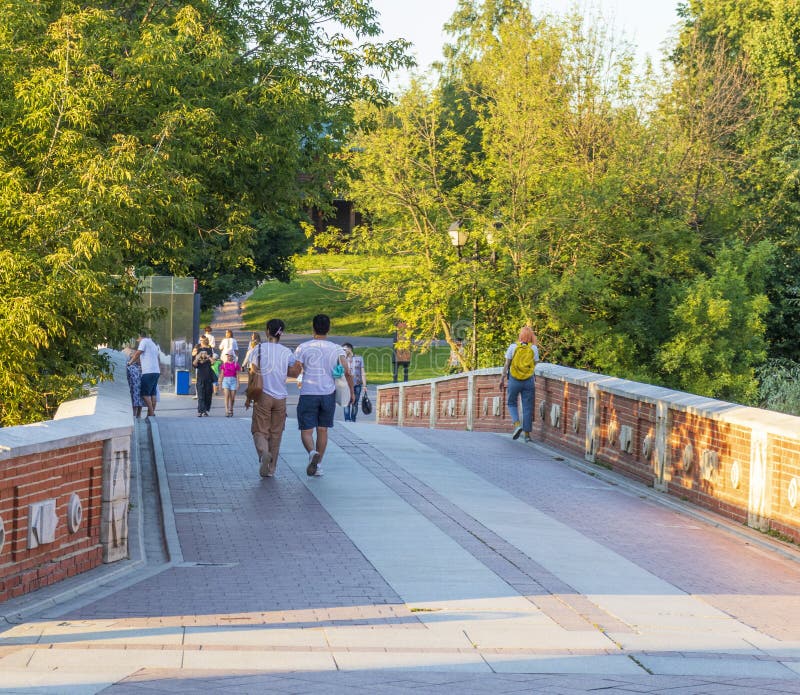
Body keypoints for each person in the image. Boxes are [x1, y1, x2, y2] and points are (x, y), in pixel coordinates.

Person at [294, 314, 354, 477]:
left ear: (313, 328)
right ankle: (318, 465)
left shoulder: (303, 347)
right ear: (329, 329)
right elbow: (347, 371)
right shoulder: (336, 348)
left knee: (306, 431)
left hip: (308, 393)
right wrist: (352, 392)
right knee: (323, 430)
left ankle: (312, 453)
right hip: (328, 394)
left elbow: (295, 370)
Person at [245, 318, 299, 477]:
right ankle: (271, 469)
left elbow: (252, 373)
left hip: (263, 396)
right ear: (281, 333)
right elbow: (293, 372)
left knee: (259, 431)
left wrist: (249, 397)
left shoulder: (258, 349)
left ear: (267, 331)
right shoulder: (286, 352)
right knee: (276, 434)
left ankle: (263, 453)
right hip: (280, 398)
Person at [499, 326, 539, 442]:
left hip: (514, 380)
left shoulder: (513, 347)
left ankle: (517, 425)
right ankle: (527, 435)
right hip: (528, 381)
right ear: (531, 336)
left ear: (520, 335)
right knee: (527, 407)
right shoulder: (534, 349)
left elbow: (507, 364)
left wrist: (502, 378)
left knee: (511, 403)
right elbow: (535, 364)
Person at [127, 330, 161, 418]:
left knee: (145, 394)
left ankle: (152, 413)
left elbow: (138, 353)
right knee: (153, 394)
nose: (137, 341)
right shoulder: (152, 343)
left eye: (137, 339)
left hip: (148, 372)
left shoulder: (144, 342)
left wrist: (130, 362)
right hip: (156, 371)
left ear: (139, 336)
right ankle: (150, 415)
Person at [342, 342, 366, 422]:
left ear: (350, 349)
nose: (343, 351)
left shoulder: (359, 358)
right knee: (347, 402)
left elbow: (362, 372)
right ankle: (347, 420)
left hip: (357, 385)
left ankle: (353, 419)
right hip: (346, 384)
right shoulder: (342, 360)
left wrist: (365, 385)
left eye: (344, 349)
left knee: (355, 403)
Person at [192, 337, 216, 416]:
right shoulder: (197, 350)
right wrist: (198, 356)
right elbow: (194, 364)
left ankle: (205, 410)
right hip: (200, 375)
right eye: (200, 340)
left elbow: (213, 362)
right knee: (200, 394)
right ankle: (200, 411)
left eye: (202, 340)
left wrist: (208, 356)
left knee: (208, 394)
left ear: (205, 341)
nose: (200, 342)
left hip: (208, 375)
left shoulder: (210, 350)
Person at [123, 346, 144, 418]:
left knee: (135, 400)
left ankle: (135, 415)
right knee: (139, 399)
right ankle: (138, 414)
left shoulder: (130, 366)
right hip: (138, 386)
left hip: (134, 386)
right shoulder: (138, 367)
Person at [220, 350, 240, 417]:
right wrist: (220, 383)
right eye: (227, 356)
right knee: (226, 396)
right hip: (225, 380)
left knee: (233, 397)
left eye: (230, 356)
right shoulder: (224, 364)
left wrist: (238, 383)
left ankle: (231, 408)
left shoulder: (236, 364)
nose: (229, 357)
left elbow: (237, 375)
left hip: (233, 380)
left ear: (233, 356)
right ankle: (226, 410)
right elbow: (222, 374)